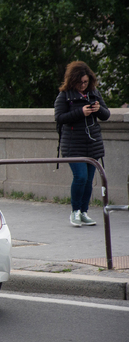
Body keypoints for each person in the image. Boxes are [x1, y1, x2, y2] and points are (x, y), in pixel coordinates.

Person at [54, 61, 110, 227]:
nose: (83, 85)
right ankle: (75, 212)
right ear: (73, 81)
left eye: (86, 82)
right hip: (73, 144)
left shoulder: (94, 93)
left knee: (89, 179)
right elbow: (60, 118)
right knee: (80, 177)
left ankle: (84, 212)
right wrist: (81, 112)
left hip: (92, 143)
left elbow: (106, 115)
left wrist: (98, 109)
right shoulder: (64, 96)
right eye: (80, 82)